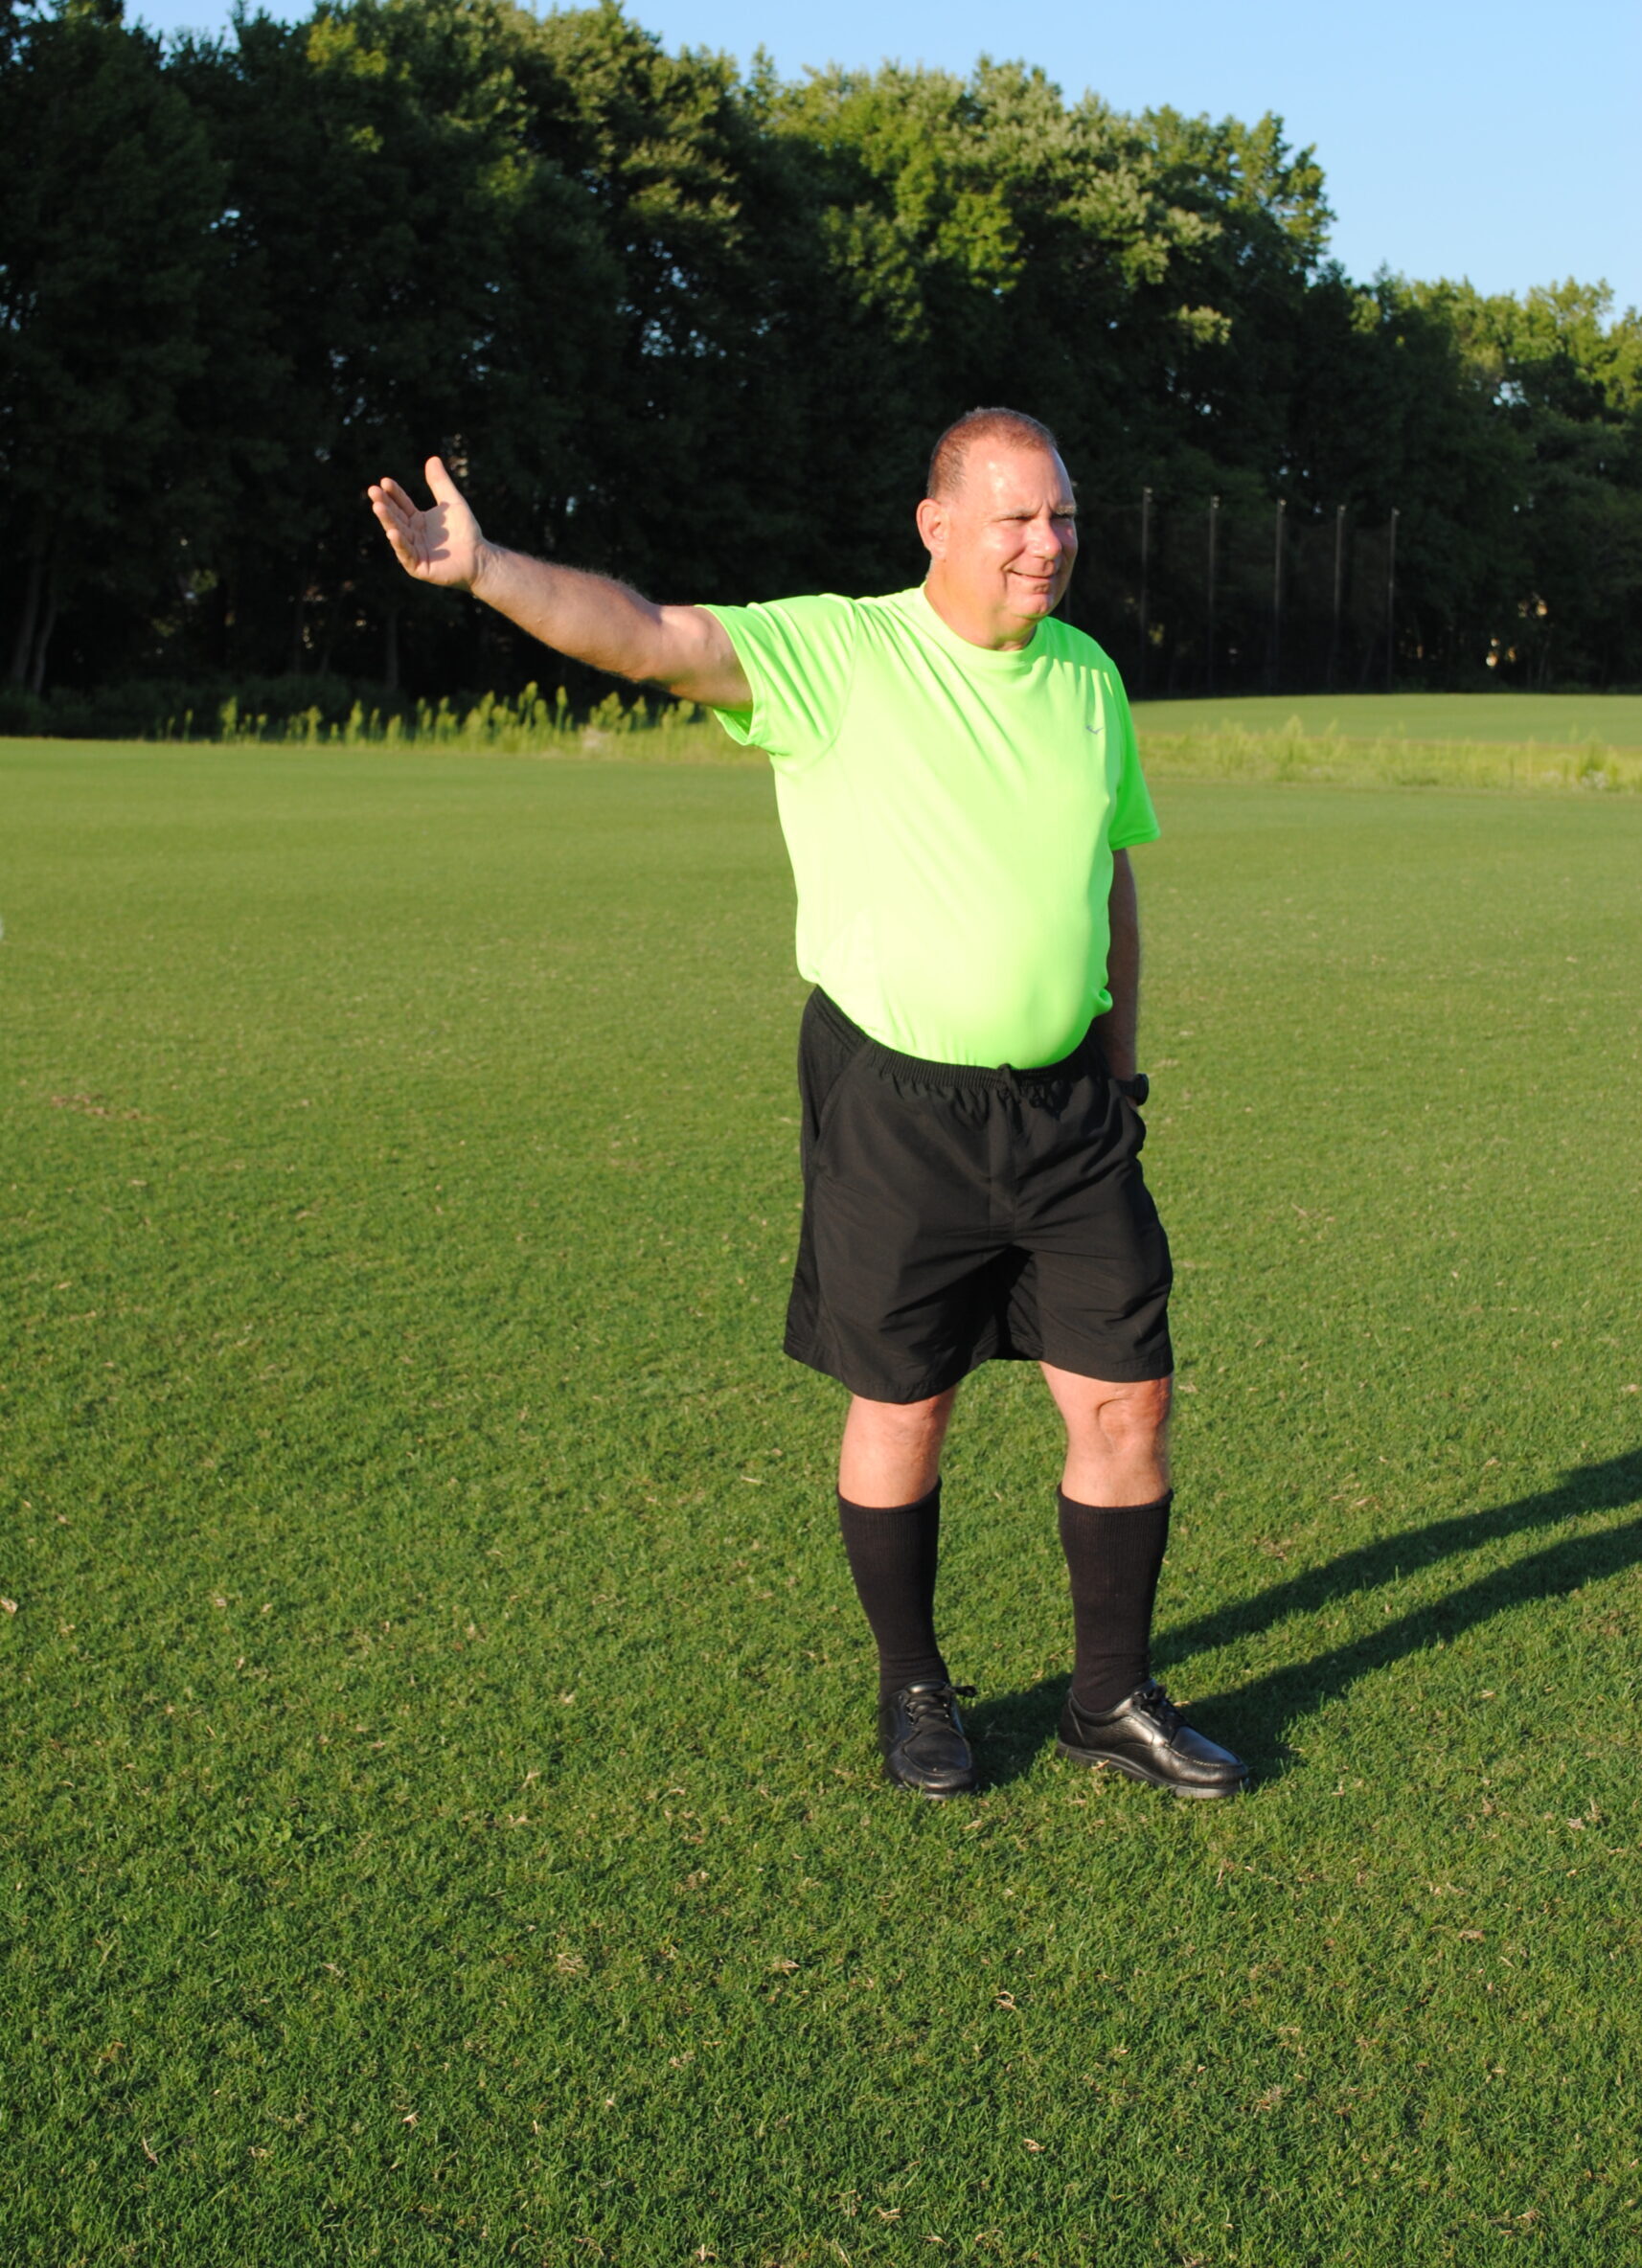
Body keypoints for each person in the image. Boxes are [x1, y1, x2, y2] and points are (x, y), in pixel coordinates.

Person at [367, 409, 1246, 1801]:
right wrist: (487, 571)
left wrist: (1122, 1065)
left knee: (1128, 1402)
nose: (1046, 544)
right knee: (907, 1406)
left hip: (1073, 1114)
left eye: (1063, 516)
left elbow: (1109, 879)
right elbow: (650, 633)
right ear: (935, 524)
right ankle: (915, 1693)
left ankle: (1107, 1699)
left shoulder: (1085, 676)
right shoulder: (839, 650)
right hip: (896, 1105)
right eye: (1016, 517)